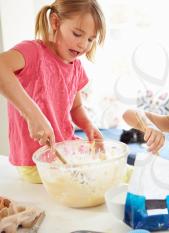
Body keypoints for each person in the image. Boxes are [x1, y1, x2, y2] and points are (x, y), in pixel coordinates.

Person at [0, 0, 106, 183]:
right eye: (77, 34)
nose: (83, 45)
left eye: (90, 39)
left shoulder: (76, 67)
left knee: (110, 170)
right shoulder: (33, 52)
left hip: (63, 150)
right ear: (56, 22)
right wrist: (33, 115)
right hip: (33, 162)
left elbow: (76, 107)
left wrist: (88, 125)